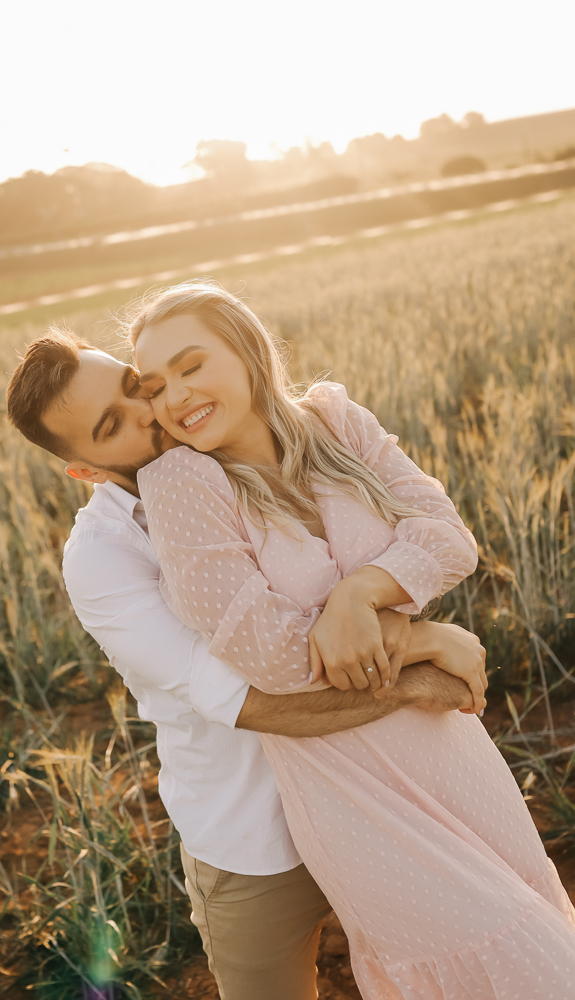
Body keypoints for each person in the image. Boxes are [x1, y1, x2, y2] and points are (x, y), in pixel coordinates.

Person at [129, 279, 575, 1000]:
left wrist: (359, 594)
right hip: (353, 789)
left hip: (450, 752)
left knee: (538, 932)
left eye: (191, 366)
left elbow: (446, 537)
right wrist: (424, 637)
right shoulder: (183, 481)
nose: (175, 396)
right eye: (154, 386)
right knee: (528, 970)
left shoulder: (334, 421)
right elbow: (271, 657)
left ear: (246, 353)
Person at [6, 330, 484, 1000]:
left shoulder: (256, 443)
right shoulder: (102, 559)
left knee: (459, 974)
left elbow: (408, 538)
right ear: (84, 470)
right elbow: (253, 703)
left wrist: (388, 607)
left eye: (131, 386)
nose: (150, 411)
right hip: (256, 841)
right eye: (112, 426)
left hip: (385, 788)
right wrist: (420, 657)